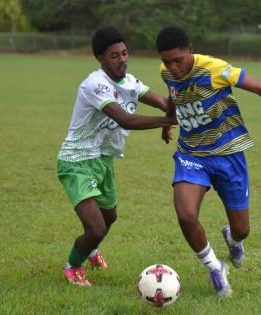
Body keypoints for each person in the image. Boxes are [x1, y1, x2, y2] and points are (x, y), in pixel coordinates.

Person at [155, 26, 261, 298]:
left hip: (228, 153)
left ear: (190, 49)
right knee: (186, 214)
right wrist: (168, 122)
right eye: (167, 61)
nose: (173, 67)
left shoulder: (214, 69)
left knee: (242, 229)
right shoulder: (166, 72)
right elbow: (173, 94)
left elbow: (259, 86)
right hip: (192, 154)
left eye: (178, 60)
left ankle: (233, 240)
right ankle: (215, 268)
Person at [57, 26, 175, 287]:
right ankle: (73, 266)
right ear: (100, 58)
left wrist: (179, 98)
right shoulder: (95, 84)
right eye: (114, 55)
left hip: (103, 160)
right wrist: (167, 120)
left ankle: (91, 249)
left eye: (124, 53)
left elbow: (165, 104)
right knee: (96, 228)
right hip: (77, 160)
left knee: (109, 217)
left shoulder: (131, 82)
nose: (122, 59)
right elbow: (126, 120)